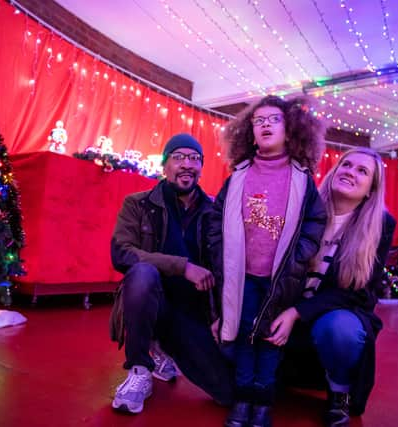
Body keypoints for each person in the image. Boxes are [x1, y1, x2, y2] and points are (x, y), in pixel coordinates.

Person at [207, 95, 327, 427]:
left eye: (273, 119)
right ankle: (243, 398)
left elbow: (315, 224)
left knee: (271, 338)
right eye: (258, 121)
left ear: (291, 130)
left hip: (281, 279)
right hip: (241, 277)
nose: (265, 125)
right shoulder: (238, 176)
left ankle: (263, 402)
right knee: (245, 335)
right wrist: (221, 256)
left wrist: (298, 259)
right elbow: (217, 220)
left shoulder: (303, 179)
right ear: (250, 132)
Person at [109, 133, 233, 414]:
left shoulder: (215, 212)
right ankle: (140, 369)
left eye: (194, 158)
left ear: (201, 166)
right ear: (165, 165)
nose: (186, 164)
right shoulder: (138, 204)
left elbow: (225, 266)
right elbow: (121, 253)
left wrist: (220, 317)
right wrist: (182, 267)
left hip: (193, 312)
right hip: (153, 301)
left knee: (227, 393)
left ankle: (164, 350)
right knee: (142, 274)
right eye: (178, 157)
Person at [272, 147, 396, 427]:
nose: (350, 172)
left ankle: (339, 394)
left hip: (337, 311)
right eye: (346, 165)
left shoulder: (381, 224)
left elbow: (360, 293)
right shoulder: (304, 208)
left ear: (370, 190)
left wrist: (297, 312)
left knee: (340, 330)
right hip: (286, 305)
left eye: (362, 171)